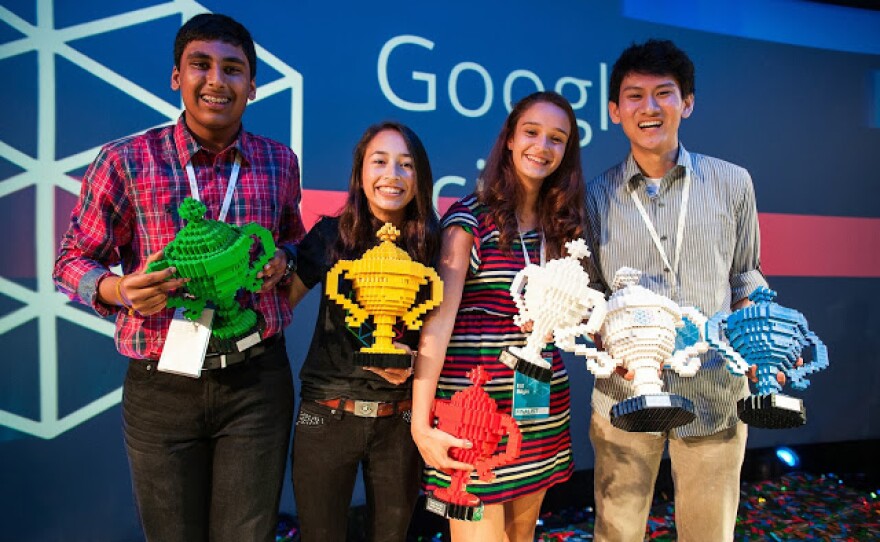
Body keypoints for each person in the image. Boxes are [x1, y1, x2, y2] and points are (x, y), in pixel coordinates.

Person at [52, 13, 304, 542]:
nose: (217, 80)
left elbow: (292, 239)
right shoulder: (124, 160)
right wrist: (116, 289)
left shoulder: (279, 163)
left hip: (257, 381)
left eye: (233, 69)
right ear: (176, 77)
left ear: (253, 86)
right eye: (201, 65)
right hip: (161, 382)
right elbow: (71, 260)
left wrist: (284, 258)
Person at [584, 39, 767, 541]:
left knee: (709, 533)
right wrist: (608, 343)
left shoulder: (733, 183)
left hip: (713, 388)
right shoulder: (594, 197)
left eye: (663, 93)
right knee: (616, 530)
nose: (649, 107)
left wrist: (756, 337)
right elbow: (592, 293)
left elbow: (745, 276)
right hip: (624, 393)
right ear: (614, 110)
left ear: (686, 103)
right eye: (635, 95)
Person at [412, 91, 586, 542]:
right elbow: (439, 322)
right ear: (509, 139)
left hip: (539, 411)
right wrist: (419, 421)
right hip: (474, 415)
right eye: (531, 132)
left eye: (557, 139)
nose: (542, 146)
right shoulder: (469, 219)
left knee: (521, 536)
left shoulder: (562, 227)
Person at [288, 121, 441, 542]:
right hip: (327, 416)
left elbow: (443, 332)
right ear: (360, 172)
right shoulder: (329, 235)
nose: (392, 174)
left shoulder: (434, 244)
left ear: (420, 178)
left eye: (406, 165)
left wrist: (415, 363)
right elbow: (279, 304)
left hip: (400, 422)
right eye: (380, 161)